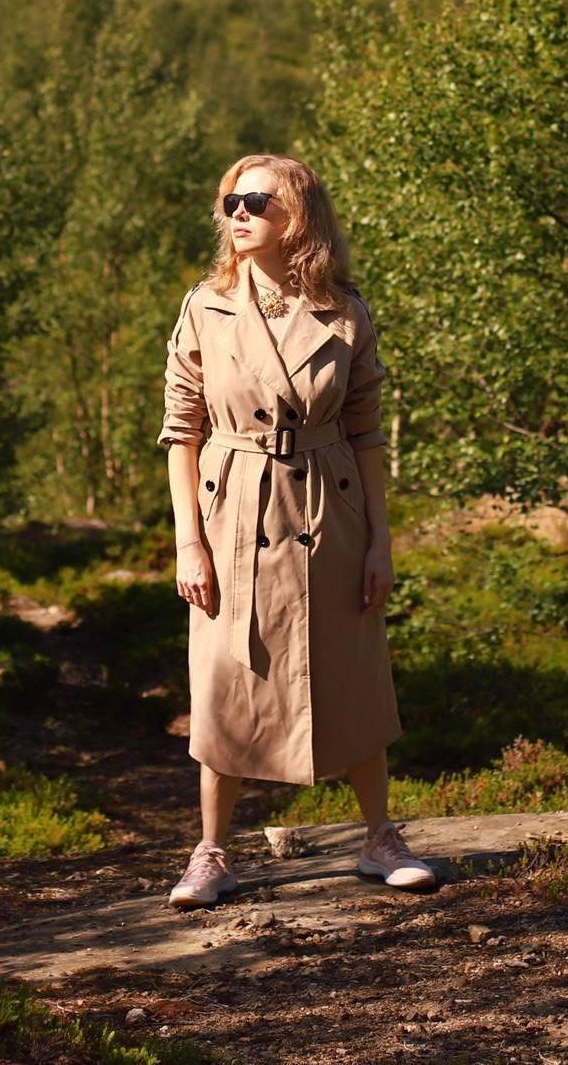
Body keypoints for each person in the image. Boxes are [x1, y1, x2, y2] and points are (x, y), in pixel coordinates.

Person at [157, 153, 435, 908]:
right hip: (233, 507)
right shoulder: (204, 308)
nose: (237, 212)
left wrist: (381, 540)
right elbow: (181, 431)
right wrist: (189, 541)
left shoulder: (345, 310)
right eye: (229, 201)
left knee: (350, 669)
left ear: (300, 216)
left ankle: (380, 838)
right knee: (224, 678)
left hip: (329, 506)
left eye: (257, 201)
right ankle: (211, 851)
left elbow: (367, 430)